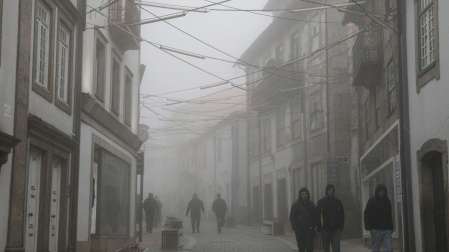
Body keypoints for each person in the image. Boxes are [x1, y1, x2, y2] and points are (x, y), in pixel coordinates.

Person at [364, 184, 393, 252]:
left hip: (386, 229)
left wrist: (391, 228)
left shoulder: (387, 201)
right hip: (376, 229)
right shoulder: (372, 201)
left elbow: (389, 215)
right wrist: (368, 226)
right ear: (377, 192)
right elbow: (367, 213)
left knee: (389, 248)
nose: (382, 193)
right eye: (380, 192)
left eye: (383, 192)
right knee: (376, 247)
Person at [317, 184, 345, 252]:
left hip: (335, 230)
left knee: (336, 249)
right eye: (329, 190)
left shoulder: (338, 202)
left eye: (332, 190)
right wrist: (320, 228)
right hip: (325, 230)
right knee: (326, 249)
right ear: (326, 191)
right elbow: (317, 215)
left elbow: (342, 216)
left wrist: (340, 227)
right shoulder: (321, 202)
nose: (331, 192)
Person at [290, 187, 317, 252]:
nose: (304, 195)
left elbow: (315, 216)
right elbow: (292, 217)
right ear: (300, 195)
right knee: (301, 247)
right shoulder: (296, 205)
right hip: (300, 230)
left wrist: (312, 226)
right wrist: (295, 227)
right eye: (302, 194)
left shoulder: (311, 204)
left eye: (305, 194)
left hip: (309, 229)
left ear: (308, 195)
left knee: (310, 247)